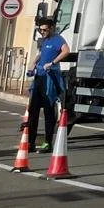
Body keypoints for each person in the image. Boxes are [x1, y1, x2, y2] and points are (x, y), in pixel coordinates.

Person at [26, 18, 70, 152]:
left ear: (52, 28)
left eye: (45, 30)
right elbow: (40, 54)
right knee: (33, 110)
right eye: (40, 30)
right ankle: (31, 142)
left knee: (48, 111)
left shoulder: (58, 39)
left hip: (49, 79)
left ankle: (47, 142)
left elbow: (66, 51)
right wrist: (33, 64)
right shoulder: (44, 41)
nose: (42, 32)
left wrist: (52, 63)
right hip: (39, 77)